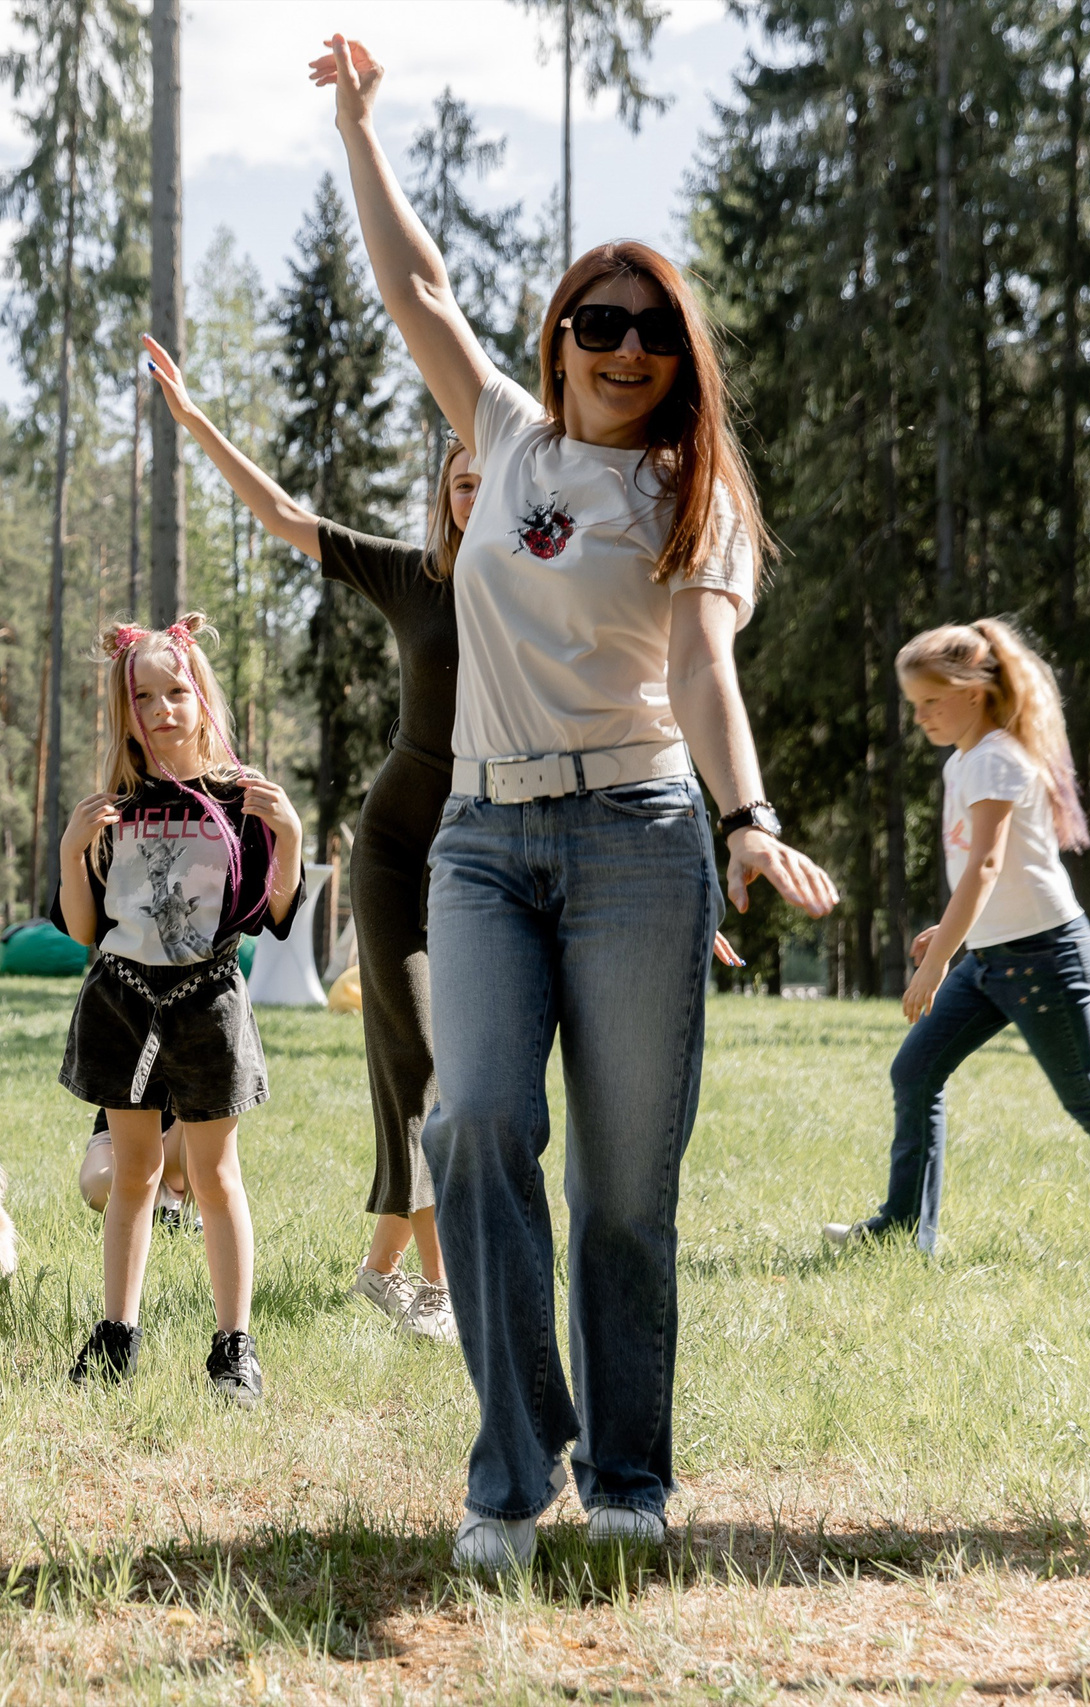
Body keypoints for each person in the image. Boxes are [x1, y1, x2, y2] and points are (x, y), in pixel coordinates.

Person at [318, 36, 839, 1571]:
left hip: (634, 840)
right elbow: (416, 289)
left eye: (651, 332)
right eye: (596, 321)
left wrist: (744, 821)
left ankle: (626, 1470)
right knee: (473, 1124)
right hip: (480, 838)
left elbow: (700, 668)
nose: (623, 347)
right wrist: (360, 129)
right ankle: (511, 1465)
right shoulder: (506, 436)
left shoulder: (695, 493)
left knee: (625, 1184)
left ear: (679, 361)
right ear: (558, 338)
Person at [144, 334, 466, 1347]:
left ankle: (380, 1269)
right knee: (415, 1059)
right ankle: (440, 1290)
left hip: (501, 845)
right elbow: (285, 518)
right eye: (458, 479)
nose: (472, 492)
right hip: (400, 844)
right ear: (443, 493)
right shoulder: (413, 578)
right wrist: (196, 423)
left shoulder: (539, 590)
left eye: (490, 479)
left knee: (468, 1070)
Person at [826, 621, 1090, 1256]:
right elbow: (987, 873)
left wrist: (937, 963)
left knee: (1089, 1097)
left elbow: (986, 864)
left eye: (932, 701)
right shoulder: (967, 758)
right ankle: (903, 1231)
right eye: (914, 705)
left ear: (974, 692)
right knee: (916, 1071)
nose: (921, 716)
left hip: (1044, 956)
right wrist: (959, 930)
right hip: (996, 955)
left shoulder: (996, 759)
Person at [53, 618, 303, 1407]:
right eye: (145, 696)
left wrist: (289, 834)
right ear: (124, 709)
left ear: (202, 699)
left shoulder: (239, 799)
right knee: (133, 1173)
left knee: (214, 1173)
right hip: (122, 1004)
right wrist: (70, 850)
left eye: (177, 692)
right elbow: (85, 929)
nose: (163, 709)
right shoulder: (114, 806)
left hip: (208, 1006)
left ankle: (234, 1344)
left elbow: (271, 911)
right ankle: (116, 1333)